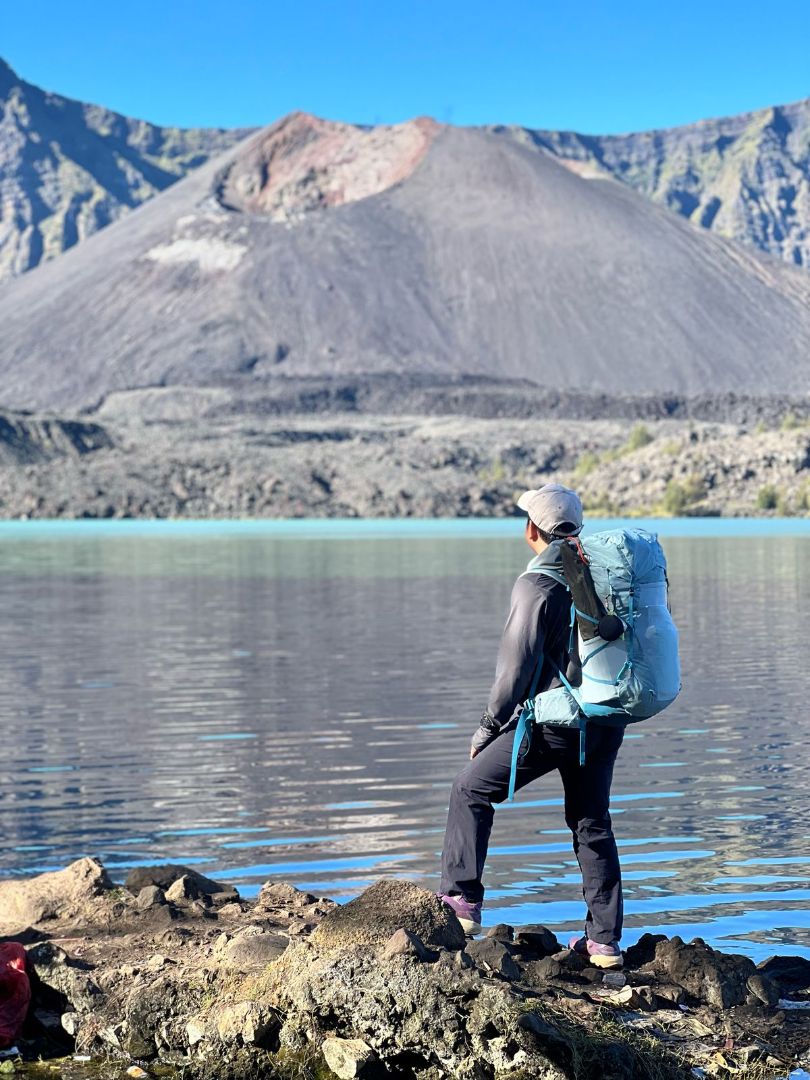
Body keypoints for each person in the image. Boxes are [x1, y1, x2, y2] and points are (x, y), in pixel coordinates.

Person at [437, 483, 625, 969]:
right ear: (576, 529)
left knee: (470, 790)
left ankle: (460, 906)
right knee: (591, 820)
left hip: (556, 724)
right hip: (604, 721)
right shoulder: (603, 572)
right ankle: (604, 943)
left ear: (531, 530)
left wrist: (486, 729)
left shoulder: (536, 584)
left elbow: (514, 673)